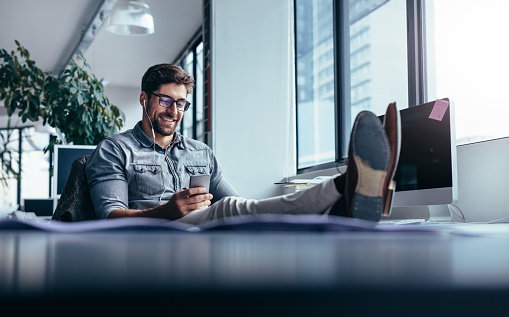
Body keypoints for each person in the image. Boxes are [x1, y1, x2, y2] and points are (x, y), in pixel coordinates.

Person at [86, 64, 400, 226]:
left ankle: (337, 211)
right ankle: (346, 184)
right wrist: (167, 211)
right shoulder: (115, 150)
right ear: (144, 99)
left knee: (245, 217)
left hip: (200, 233)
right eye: (166, 100)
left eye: (181, 104)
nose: (173, 111)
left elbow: (244, 208)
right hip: (152, 238)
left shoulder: (200, 152)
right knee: (226, 210)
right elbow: (109, 218)